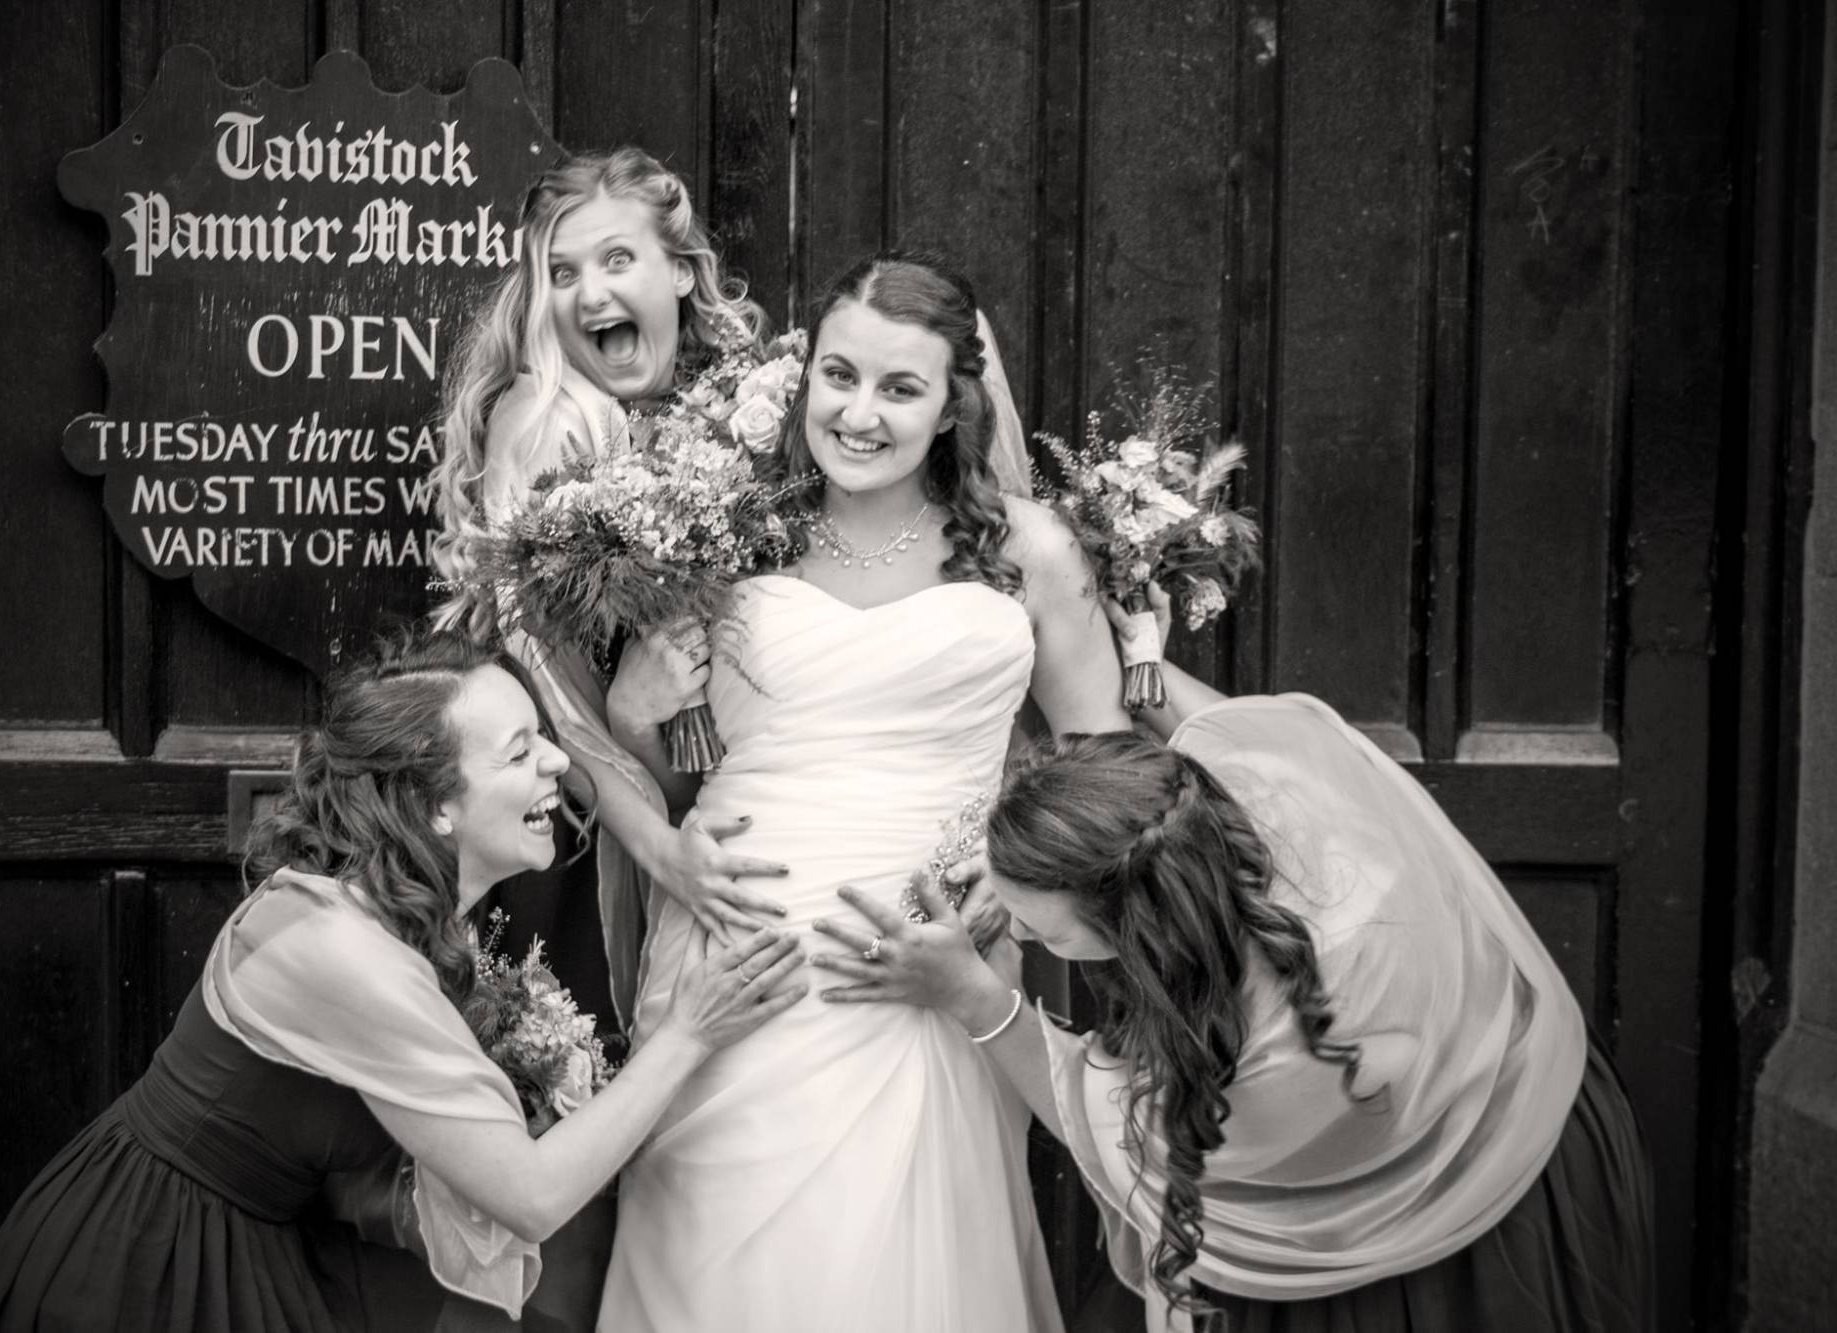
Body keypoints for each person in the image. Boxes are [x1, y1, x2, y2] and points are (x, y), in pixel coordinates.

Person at [0, 630, 807, 1333]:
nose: (558, 761)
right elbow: (533, 1193)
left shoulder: (403, 913)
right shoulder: (346, 948)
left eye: (543, 736)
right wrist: (689, 1030)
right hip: (146, 1261)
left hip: (257, 1236)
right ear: (434, 804)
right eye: (520, 751)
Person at [595, 253, 1136, 1332]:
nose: (857, 413)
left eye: (900, 388)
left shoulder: (1026, 550)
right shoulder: (729, 533)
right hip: (737, 950)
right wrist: (631, 714)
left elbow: (1105, 766)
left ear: (951, 406)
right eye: (839, 376)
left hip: (922, 963)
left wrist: (1007, 871)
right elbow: (680, 777)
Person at [815, 639, 1654, 1333]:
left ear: (1136, 921)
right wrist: (1141, 663)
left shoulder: (1278, 1044)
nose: (1025, 936)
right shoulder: (1230, 793)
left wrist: (975, 997)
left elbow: (1117, 1136)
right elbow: (1225, 732)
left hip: (1477, 1188)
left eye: (1045, 926)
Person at [429, 146, 788, 1042]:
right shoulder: (556, 419)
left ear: (681, 271)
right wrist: (664, 847)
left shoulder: (729, 415)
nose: (590, 294)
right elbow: (556, 693)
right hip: (576, 840)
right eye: (561, 273)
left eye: (617, 259)